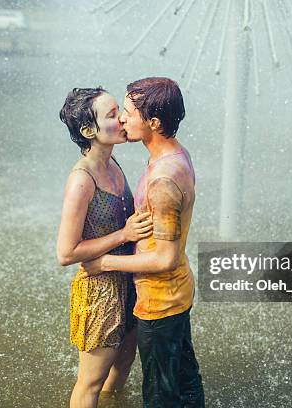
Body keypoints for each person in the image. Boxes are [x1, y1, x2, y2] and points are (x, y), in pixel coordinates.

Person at [83, 77, 205, 407]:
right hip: (177, 291)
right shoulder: (176, 155)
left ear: (152, 123)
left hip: (160, 302)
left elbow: (164, 258)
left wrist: (104, 262)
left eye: (127, 112)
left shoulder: (164, 180)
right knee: (185, 379)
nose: (122, 119)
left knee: (160, 396)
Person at [57, 87, 153, 408]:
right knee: (90, 382)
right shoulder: (82, 180)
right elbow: (66, 253)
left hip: (129, 280)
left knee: (124, 365)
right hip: (100, 291)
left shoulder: (113, 164)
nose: (122, 119)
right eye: (112, 115)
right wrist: (124, 234)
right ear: (88, 130)